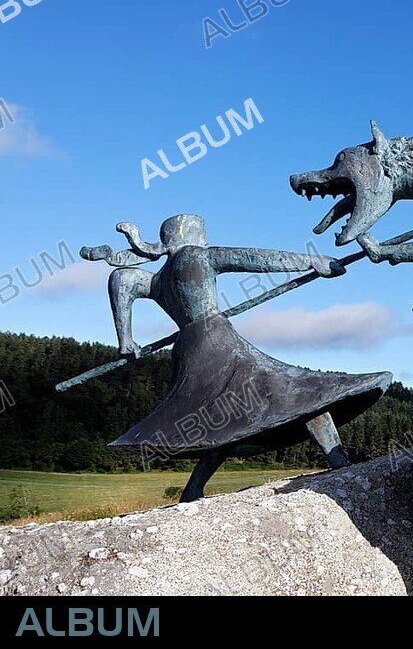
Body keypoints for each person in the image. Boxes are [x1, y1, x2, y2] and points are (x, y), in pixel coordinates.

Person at [82, 214, 392, 501]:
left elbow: (120, 280)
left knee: (221, 417)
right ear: (192, 235)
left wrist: (126, 341)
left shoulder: (156, 280)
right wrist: (312, 261)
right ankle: (339, 462)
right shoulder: (197, 256)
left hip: (188, 349)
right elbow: (255, 259)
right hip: (218, 340)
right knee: (301, 392)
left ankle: (192, 490)